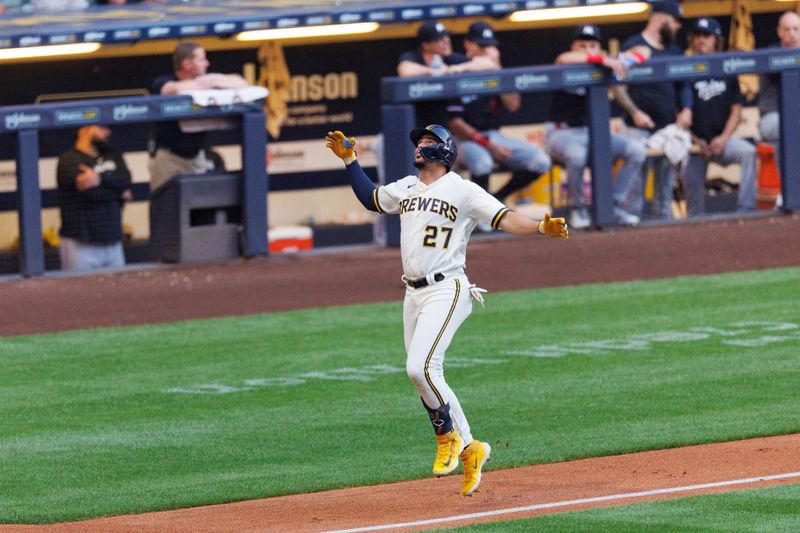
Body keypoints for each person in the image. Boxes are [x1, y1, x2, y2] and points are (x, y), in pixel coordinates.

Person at [324, 125, 568, 496]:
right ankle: (472, 448)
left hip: (447, 287)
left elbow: (503, 217)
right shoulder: (406, 187)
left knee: (418, 367)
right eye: (418, 143)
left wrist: (540, 228)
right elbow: (371, 198)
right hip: (413, 293)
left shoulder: (462, 189)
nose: (419, 147)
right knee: (425, 375)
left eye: (427, 142)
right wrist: (350, 161)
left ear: (446, 150)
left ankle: (447, 437)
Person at [545, 24, 647, 229]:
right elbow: (564, 58)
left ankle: (614, 206)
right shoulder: (567, 61)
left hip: (593, 134)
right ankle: (577, 208)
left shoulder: (604, 67)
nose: (587, 49)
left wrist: (623, 59)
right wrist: (602, 58)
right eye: (582, 45)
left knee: (637, 150)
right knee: (577, 155)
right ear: (573, 46)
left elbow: (644, 51)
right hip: (561, 133)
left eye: (592, 45)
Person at [447, 21, 551, 205]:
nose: (486, 51)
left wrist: (498, 69)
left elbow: (513, 105)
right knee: (483, 162)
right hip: (462, 140)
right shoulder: (458, 64)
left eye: (490, 46)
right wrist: (489, 146)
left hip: (493, 136)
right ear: (468, 44)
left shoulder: (495, 70)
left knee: (540, 161)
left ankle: (496, 200)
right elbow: (455, 123)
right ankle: (481, 211)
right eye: (482, 46)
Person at [614, 0, 693, 220]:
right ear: (661, 17)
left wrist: (686, 108)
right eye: (675, 21)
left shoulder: (674, 51)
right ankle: (630, 239)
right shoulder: (634, 45)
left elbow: (684, 85)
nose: (677, 27)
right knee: (635, 191)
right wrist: (634, 111)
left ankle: (665, 244)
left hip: (667, 129)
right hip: (637, 129)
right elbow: (617, 85)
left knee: (664, 191)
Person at [683, 17, 757, 217]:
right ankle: (695, 221)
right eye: (697, 35)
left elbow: (736, 109)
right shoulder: (684, 67)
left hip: (723, 140)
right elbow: (679, 113)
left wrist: (724, 138)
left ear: (716, 39)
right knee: (687, 171)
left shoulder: (726, 66)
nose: (701, 40)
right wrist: (695, 140)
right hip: (696, 145)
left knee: (749, 153)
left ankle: (746, 210)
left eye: (706, 36)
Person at [149, 42, 247, 191]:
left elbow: (241, 83)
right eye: (201, 60)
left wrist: (216, 81)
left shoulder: (207, 78)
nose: (207, 63)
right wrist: (204, 84)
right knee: (165, 206)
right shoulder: (165, 80)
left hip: (196, 156)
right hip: (168, 157)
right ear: (187, 64)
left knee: (200, 203)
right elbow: (169, 89)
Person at [56, 125, 132, 272]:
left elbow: (126, 180)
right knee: (80, 293)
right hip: (81, 244)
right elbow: (90, 193)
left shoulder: (112, 155)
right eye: (101, 127)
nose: (107, 132)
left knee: (119, 292)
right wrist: (117, 193)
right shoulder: (68, 160)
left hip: (113, 242)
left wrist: (99, 178)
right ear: (83, 130)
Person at [397, 20, 499, 126]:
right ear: (426, 45)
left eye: (446, 37)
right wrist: (435, 71)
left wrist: (456, 68)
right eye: (439, 39)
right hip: (409, 123)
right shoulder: (413, 57)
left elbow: (488, 64)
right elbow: (405, 70)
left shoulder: (451, 59)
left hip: (437, 126)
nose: (446, 41)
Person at [758, 11, 800, 209]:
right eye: (787, 29)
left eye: (796, 29)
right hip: (772, 118)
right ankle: (788, 191)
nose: (792, 34)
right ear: (779, 32)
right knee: (786, 129)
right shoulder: (771, 55)